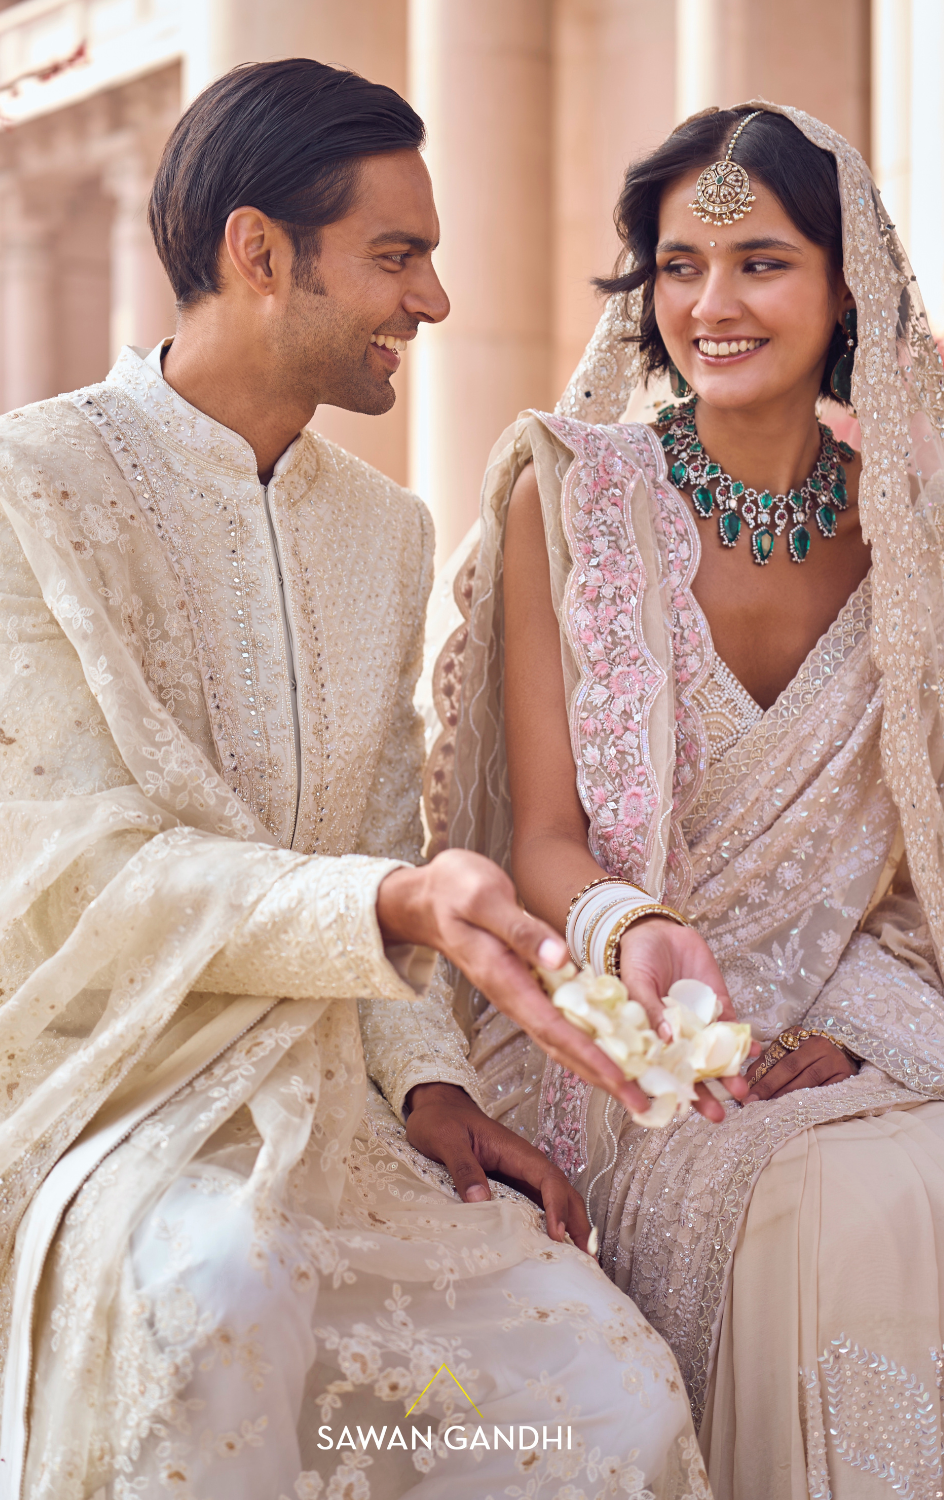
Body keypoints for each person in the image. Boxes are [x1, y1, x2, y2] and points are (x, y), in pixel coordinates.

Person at [0, 59, 710, 1500]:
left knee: (604, 1384)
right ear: (257, 253)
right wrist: (394, 901)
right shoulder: (7, 494)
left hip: (338, 1126)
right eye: (395, 256)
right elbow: (68, 875)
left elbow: (374, 842)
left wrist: (429, 1084)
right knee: (221, 1296)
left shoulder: (384, 530)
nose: (428, 301)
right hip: (110, 1111)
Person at [442, 101, 944, 1499]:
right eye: (679, 266)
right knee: (838, 1212)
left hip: (863, 999)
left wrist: (851, 1028)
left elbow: (917, 858)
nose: (712, 304)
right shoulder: (576, 492)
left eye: (762, 262)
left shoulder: (917, 519)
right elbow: (538, 836)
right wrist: (643, 946)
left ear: (850, 284)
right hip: (622, 1025)